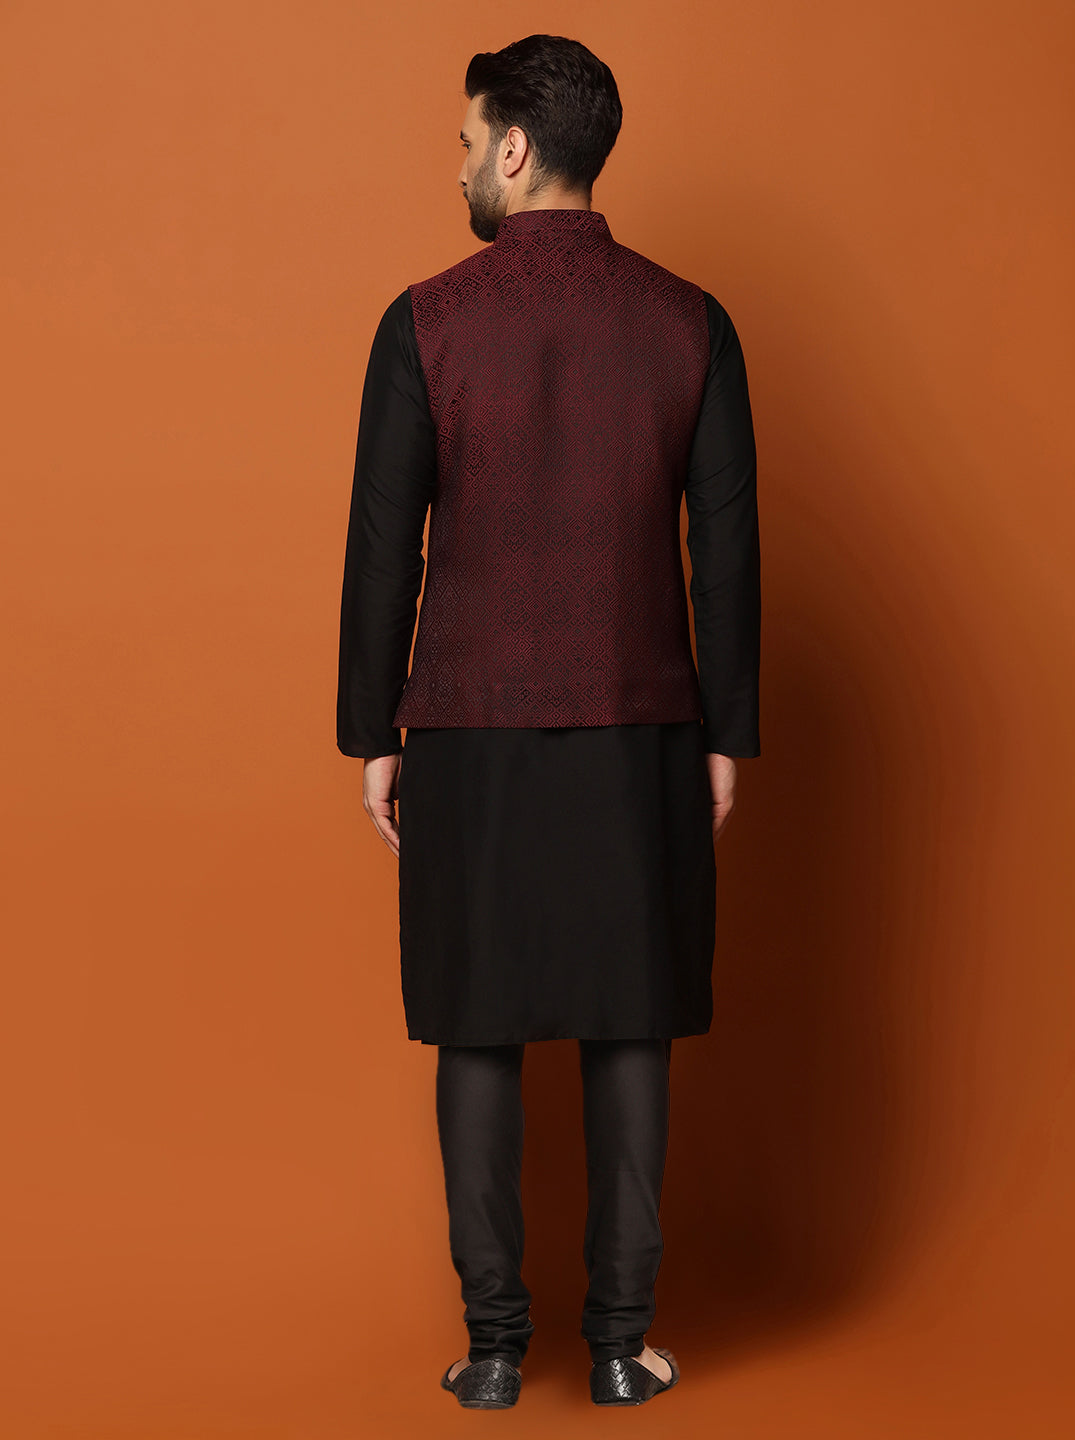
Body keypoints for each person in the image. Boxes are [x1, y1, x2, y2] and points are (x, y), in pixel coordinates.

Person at [336, 34, 761, 1410]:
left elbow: (384, 548)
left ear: (516, 149)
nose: (461, 163)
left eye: (469, 142)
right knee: (631, 1025)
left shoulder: (424, 322)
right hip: (644, 720)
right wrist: (725, 735)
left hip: (467, 723)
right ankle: (623, 1347)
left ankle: (494, 1351)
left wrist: (372, 733)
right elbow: (727, 550)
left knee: (479, 1024)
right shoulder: (692, 322)